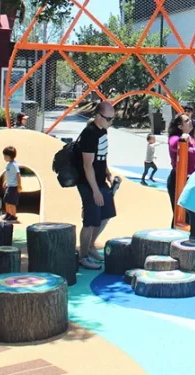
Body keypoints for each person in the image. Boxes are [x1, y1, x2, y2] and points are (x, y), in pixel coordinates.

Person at [76, 100, 118, 270]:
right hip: (88, 183)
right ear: (99, 117)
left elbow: (102, 156)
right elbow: (87, 165)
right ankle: (82, 256)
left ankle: (91, 246)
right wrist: (95, 190)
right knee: (90, 221)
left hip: (100, 180)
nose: (111, 122)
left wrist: (107, 172)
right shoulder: (90, 134)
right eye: (109, 119)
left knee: (106, 214)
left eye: (113, 119)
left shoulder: (103, 131)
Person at [167, 113, 195, 227]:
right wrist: (183, 138)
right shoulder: (175, 138)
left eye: (190, 119)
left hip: (191, 181)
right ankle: (176, 235)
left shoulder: (191, 139)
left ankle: (190, 234)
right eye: (186, 121)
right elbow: (174, 144)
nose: (190, 121)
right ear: (180, 126)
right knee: (180, 215)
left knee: (191, 216)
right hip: (178, 181)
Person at [1, 146, 20, 222]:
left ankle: (13, 216)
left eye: (5, 156)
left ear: (10, 156)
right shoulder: (9, 164)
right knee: (6, 201)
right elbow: (10, 175)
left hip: (13, 187)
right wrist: (6, 181)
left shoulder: (14, 165)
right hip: (9, 186)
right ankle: (8, 214)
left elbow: (17, 175)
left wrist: (19, 185)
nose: (4, 158)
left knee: (12, 202)